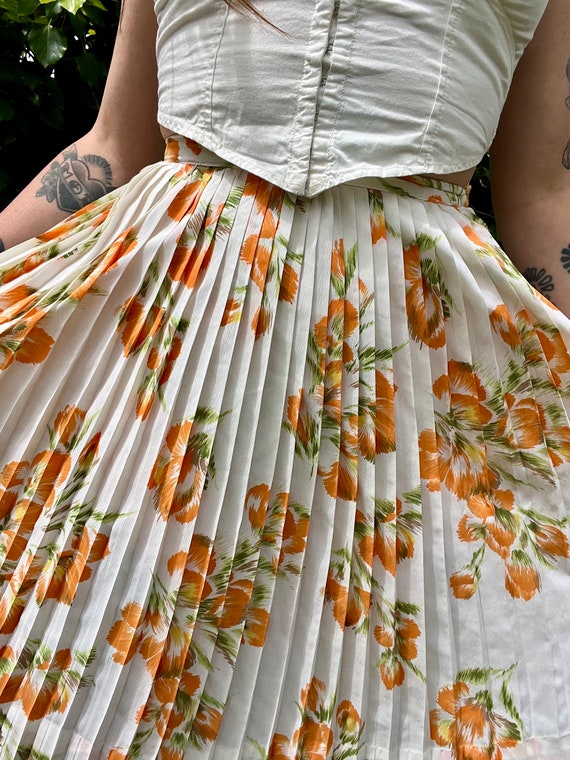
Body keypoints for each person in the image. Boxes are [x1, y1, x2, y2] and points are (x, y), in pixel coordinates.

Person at [0, 0, 569, 757]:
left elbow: (542, 198)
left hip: (411, 387)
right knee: (107, 680)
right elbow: (114, 145)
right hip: (167, 368)